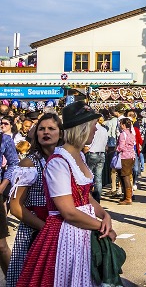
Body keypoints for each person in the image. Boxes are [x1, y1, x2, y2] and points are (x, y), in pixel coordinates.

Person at [18, 101, 116, 287]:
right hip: (66, 234)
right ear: (82, 129)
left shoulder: (79, 156)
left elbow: (85, 196)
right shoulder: (58, 162)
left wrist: (104, 215)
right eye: (93, 126)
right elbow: (68, 212)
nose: (96, 130)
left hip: (83, 229)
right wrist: (102, 227)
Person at [7, 112, 62, 287]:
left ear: (60, 133)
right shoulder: (29, 163)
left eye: (51, 128)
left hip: (61, 230)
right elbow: (15, 207)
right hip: (35, 231)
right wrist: (46, 230)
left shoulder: (64, 160)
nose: (46, 132)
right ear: (36, 133)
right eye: (41, 129)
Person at [0, 115, 20, 275]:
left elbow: (14, 163)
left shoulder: (4, 139)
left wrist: (3, 186)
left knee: (1, 246)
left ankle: (12, 280)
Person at [116, 116, 136, 205]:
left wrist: (116, 149)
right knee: (126, 175)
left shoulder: (122, 134)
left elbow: (121, 147)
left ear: (123, 125)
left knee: (125, 176)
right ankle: (126, 196)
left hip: (124, 157)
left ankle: (128, 198)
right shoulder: (131, 133)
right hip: (131, 156)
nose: (120, 126)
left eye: (121, 124)